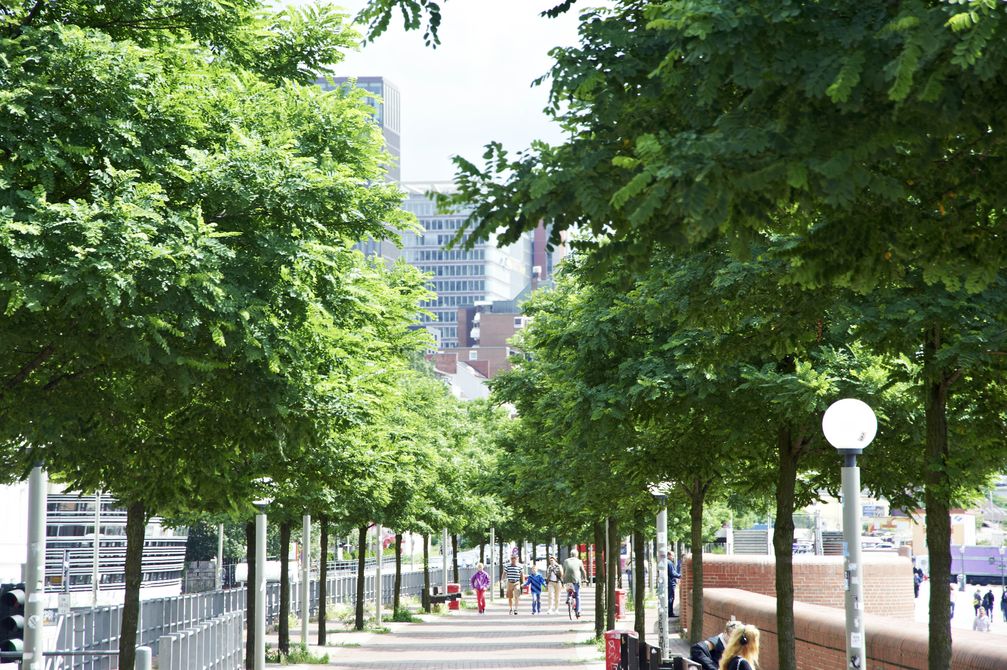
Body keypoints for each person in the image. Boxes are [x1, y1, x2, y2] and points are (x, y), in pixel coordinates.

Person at [561, 548, 587, 618]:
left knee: (569, 589)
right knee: (577, 595)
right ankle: (578, 611)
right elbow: (583, 571)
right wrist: (585, 579)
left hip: (567, 580)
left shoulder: (566, 561)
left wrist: (563, 580)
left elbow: (564, 570)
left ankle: (568, 597)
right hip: (576, 580)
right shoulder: (579, 561)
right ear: (577, 555)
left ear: (570, 555)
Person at [668, 553, 681, 618]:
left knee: (669, 598)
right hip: (670, 583)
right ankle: (670, 613)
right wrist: (680, 576)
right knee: (671, 598)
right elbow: (672, 573)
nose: (673, 557)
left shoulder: (666, 562)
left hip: (668, 582)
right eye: (672, 556)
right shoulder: (669, 562)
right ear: (669, 555)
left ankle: (669, 612)